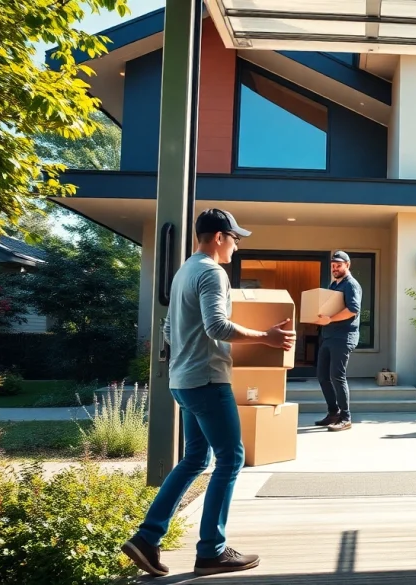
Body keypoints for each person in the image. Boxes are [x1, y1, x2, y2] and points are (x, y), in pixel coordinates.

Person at [121, 209, 295, 577]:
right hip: (206, 381)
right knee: (230, 459)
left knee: (195, 459)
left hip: (182, 380)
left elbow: (168, 327)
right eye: (235, 237)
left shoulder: (185, 269)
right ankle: (212, 551)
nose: (237, 244)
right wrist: (268, 336)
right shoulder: (212, 273)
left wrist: (188, 352)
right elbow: (217, 325)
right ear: (218, 237)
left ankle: (147, 538)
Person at [312, 250, 362, 431]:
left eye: (339, 265)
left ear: (347, 265)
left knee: (337, 376)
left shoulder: (351, 285)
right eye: (333, 265)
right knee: (322, 376)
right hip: (328, 336)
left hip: (343, 337)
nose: (335, 268)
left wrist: (330, 319)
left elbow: (353, 310)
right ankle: (333, 412)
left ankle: (346, 417)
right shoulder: (333, 285)